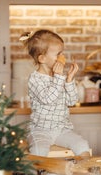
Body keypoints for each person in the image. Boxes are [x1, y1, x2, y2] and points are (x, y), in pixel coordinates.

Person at [20, 29, 90, 157]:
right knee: (38, 151)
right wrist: (59, 78)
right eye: (58, 54)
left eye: (61, 53)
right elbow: (48, 99)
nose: (62, 58)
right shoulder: (35, 79)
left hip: (62, 130)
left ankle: (82, 173)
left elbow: (72, 101)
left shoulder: (59, 77)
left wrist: (69, 80)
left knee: (83, 145)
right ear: (42, 58)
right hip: (40, 130)